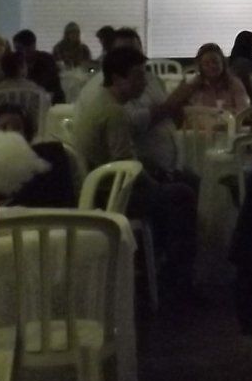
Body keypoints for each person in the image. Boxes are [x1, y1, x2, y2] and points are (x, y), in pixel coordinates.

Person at [73, 44, 203, 303]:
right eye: (138, 76)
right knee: (182, 194)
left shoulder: (102, 102)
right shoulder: (113, 111)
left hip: (103, 184)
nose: (144, 82)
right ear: (118, 78)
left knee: (181, 182)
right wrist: (157, 182)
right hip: (111, 195)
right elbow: (124, 166)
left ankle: (162, 263)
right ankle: (177, 281)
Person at [189, 42, 250, 116]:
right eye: (206, 64)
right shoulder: (194, 85)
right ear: (200, 67)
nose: (212, 66)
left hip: (230, 122)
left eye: (215, 62)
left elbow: (243, 111)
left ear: (223, 63)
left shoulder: (234, 83)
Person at [11, 29, 65, 103]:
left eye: (19, 49)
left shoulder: (47, 59)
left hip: (51, 102)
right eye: (16, 49)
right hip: (25, 101)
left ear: (33, 46)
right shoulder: (15, 61)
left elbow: (45, 86)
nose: (17, 52)